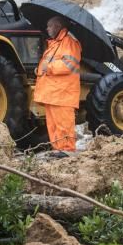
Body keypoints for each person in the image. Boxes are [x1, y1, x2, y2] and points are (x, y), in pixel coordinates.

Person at [34, 16, 81, 155]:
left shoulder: (69, 42)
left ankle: (67, 150)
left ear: (58, 26)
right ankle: (58, 150)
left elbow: (69, 65)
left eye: (49, 26)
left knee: (63, 123)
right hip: (53, 93)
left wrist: (48, 67)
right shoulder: (55, 43)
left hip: (63, 93)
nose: (47, 29)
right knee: (53, 125)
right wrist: (40, 69)